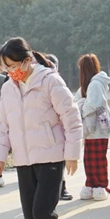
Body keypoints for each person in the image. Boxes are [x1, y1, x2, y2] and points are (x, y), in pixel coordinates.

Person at [0, 37, 82, 219]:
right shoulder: (8, 88)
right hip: (23, 159)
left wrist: (72, 153)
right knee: (30, 215)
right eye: (6, 68)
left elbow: (71, 117)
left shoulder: (49, 81)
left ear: (28, 60)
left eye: (13, 66)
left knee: (43, 212)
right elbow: (3, 126)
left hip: (51, 157)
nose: (10, 72)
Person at [74, 53, 110, 201]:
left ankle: (101, 185)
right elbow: (77, 99)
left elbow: (94, 103)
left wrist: (82, 108)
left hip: (98, 127)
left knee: (98, 159)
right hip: (91, 128)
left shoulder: (95, 83)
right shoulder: (89, 84)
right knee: (89, 158)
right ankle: (91, 184)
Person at [43, 53, 73, 201]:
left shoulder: (58, 82)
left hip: (58, 131)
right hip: (43, 133)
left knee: (58, 162)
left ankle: (62, 188)